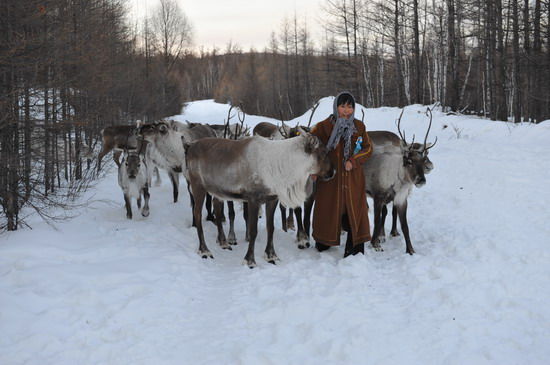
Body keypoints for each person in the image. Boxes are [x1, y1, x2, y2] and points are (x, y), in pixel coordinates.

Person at [310, 91, 373, 257]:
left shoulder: (359, 127)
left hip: (353, 178)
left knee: (354, 209)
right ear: (336, 107)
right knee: (327, 207)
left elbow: (368, 148)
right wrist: (314, 169)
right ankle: (324, 240)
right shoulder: (323, 127)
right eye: (342, 106)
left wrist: (353, 161)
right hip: (330, 178)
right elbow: (311, 147)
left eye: (350, 107)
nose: (346, 110)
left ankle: (355, 244)